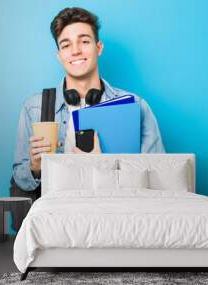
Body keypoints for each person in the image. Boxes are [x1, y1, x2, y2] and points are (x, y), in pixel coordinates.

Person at [11, 7, 165, 205]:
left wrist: (103, 166)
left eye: (84, 41)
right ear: (60, 55)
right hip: (56, 219)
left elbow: (158, 177)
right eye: (66, 45)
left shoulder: (136, 106)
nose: (75, 51)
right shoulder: (34, 108)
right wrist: (35, 167)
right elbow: (20, 178)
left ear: (98, 47)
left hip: (115, 215)